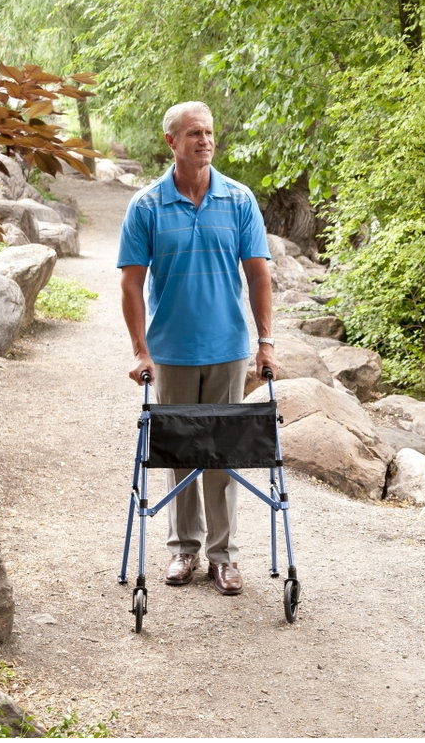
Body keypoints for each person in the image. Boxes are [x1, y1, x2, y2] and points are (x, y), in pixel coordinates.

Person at [117, 101, 278, 596]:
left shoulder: (239, 199)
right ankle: (184, 550)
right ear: (172, 142)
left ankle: (224, 557)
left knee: (224, 455)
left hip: (228, 348)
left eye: (209, 132)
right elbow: (131, 284)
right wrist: (141, 351)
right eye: (193, 133)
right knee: (183, 452)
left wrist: (265, 342)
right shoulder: (146, 206)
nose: (204, 140)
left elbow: (258, 274)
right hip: (171, 352)